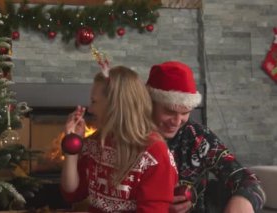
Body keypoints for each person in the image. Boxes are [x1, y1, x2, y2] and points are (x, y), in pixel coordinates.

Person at [145, 61, 266, 213]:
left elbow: (247, 180)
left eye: (185, 113)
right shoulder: (128, 135)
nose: (177, 122)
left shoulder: (197, 137)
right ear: (150, 103)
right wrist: (156, 202)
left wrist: (244, 199)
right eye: (169, 111)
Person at [60, 66, 178, 212]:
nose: (89, 109)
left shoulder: (154, 153)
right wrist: (72, 147)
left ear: (114, 106)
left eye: (94, 101)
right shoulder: (96, 142)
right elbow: (72, 193)